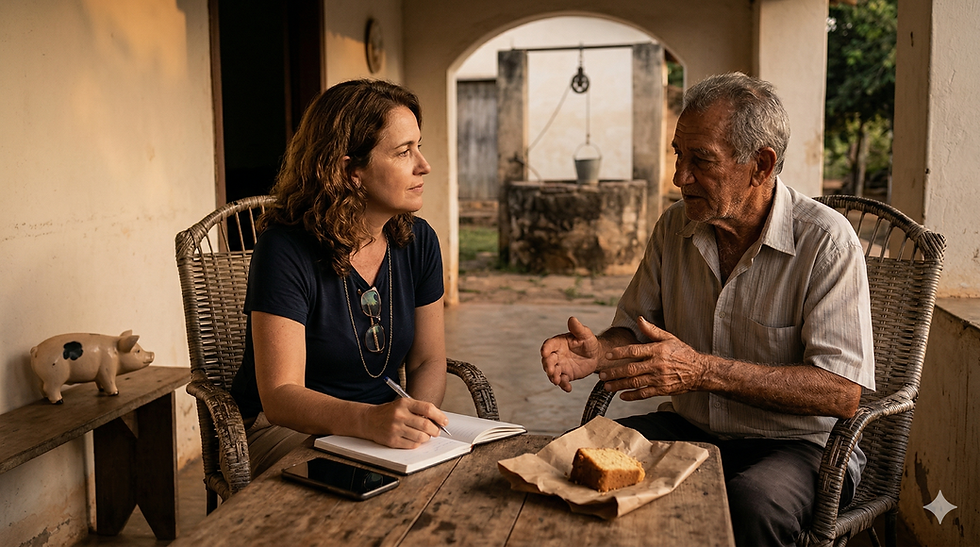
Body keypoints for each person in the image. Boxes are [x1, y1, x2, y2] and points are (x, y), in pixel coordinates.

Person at [540, 72, 875, 547]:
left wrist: (701, 371)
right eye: (679, 154)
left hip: (801, 446)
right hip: (693, 428)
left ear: (761, 165)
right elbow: (635, 331)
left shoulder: (825, 242)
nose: (680, 177)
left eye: (701, 160)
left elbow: (841, 392)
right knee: (574, 460)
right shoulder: (675, 226)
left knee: (754, 503)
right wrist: (598, 352)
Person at [230, 79, 450, 478]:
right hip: (285, 431)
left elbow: (429, 359)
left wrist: (417, 425)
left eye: (419, 146)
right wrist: (370, 422)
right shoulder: (285, 249)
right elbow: (280, 397)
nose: (423, 164)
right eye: (404, 152)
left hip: (378, 434)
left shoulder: (419, 243)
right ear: (351, 171)